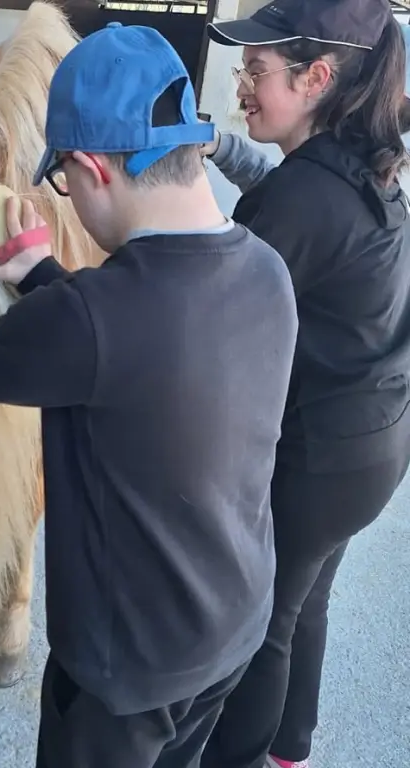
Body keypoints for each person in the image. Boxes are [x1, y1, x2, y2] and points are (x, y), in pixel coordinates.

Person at [0, 21, 299, 768]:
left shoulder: (90, 318)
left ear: (89, 170)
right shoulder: (266, 270)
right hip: (234, 627)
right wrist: (43, 273)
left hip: (124, 674)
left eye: (63, 183)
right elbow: (149, 347)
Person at [197, 2, 410, 767]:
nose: (241, 86)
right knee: (305, 599)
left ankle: (244, 758)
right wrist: (218, 146)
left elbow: (195, 322)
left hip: (321, 455)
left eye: (256, 71)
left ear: (318, 78)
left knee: (263, 625)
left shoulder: (297, 204)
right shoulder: (364, 166)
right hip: (376, 446)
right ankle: (292, 747)